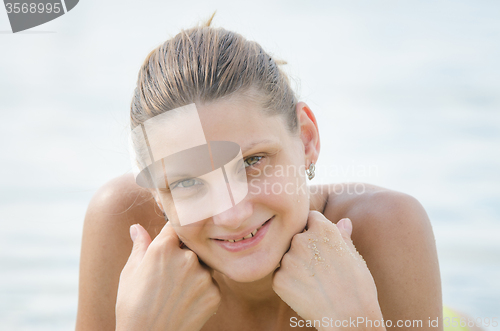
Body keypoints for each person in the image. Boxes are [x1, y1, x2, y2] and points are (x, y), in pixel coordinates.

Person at [76, 14, 445, 330]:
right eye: (187, 182)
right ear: (155, 191)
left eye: (253, 162)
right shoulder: (121, 223)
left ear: (306, 138)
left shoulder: (386, 228)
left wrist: (357, 322)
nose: (233, 214)